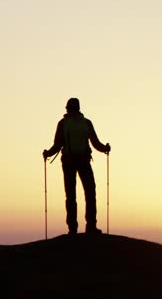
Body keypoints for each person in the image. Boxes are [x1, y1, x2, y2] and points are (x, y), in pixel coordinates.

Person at [43, 98, 111, 235]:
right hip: (84, 160)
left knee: (70, 194)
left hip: (68, 161)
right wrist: (105, 148)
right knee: (90, 192)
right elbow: (95, 142)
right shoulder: (86, 123)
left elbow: (57, 145)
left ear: (67, 108)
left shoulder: (63, 123)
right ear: (79, 108)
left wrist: (47, 153)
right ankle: (91, 226)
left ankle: (72, 228)